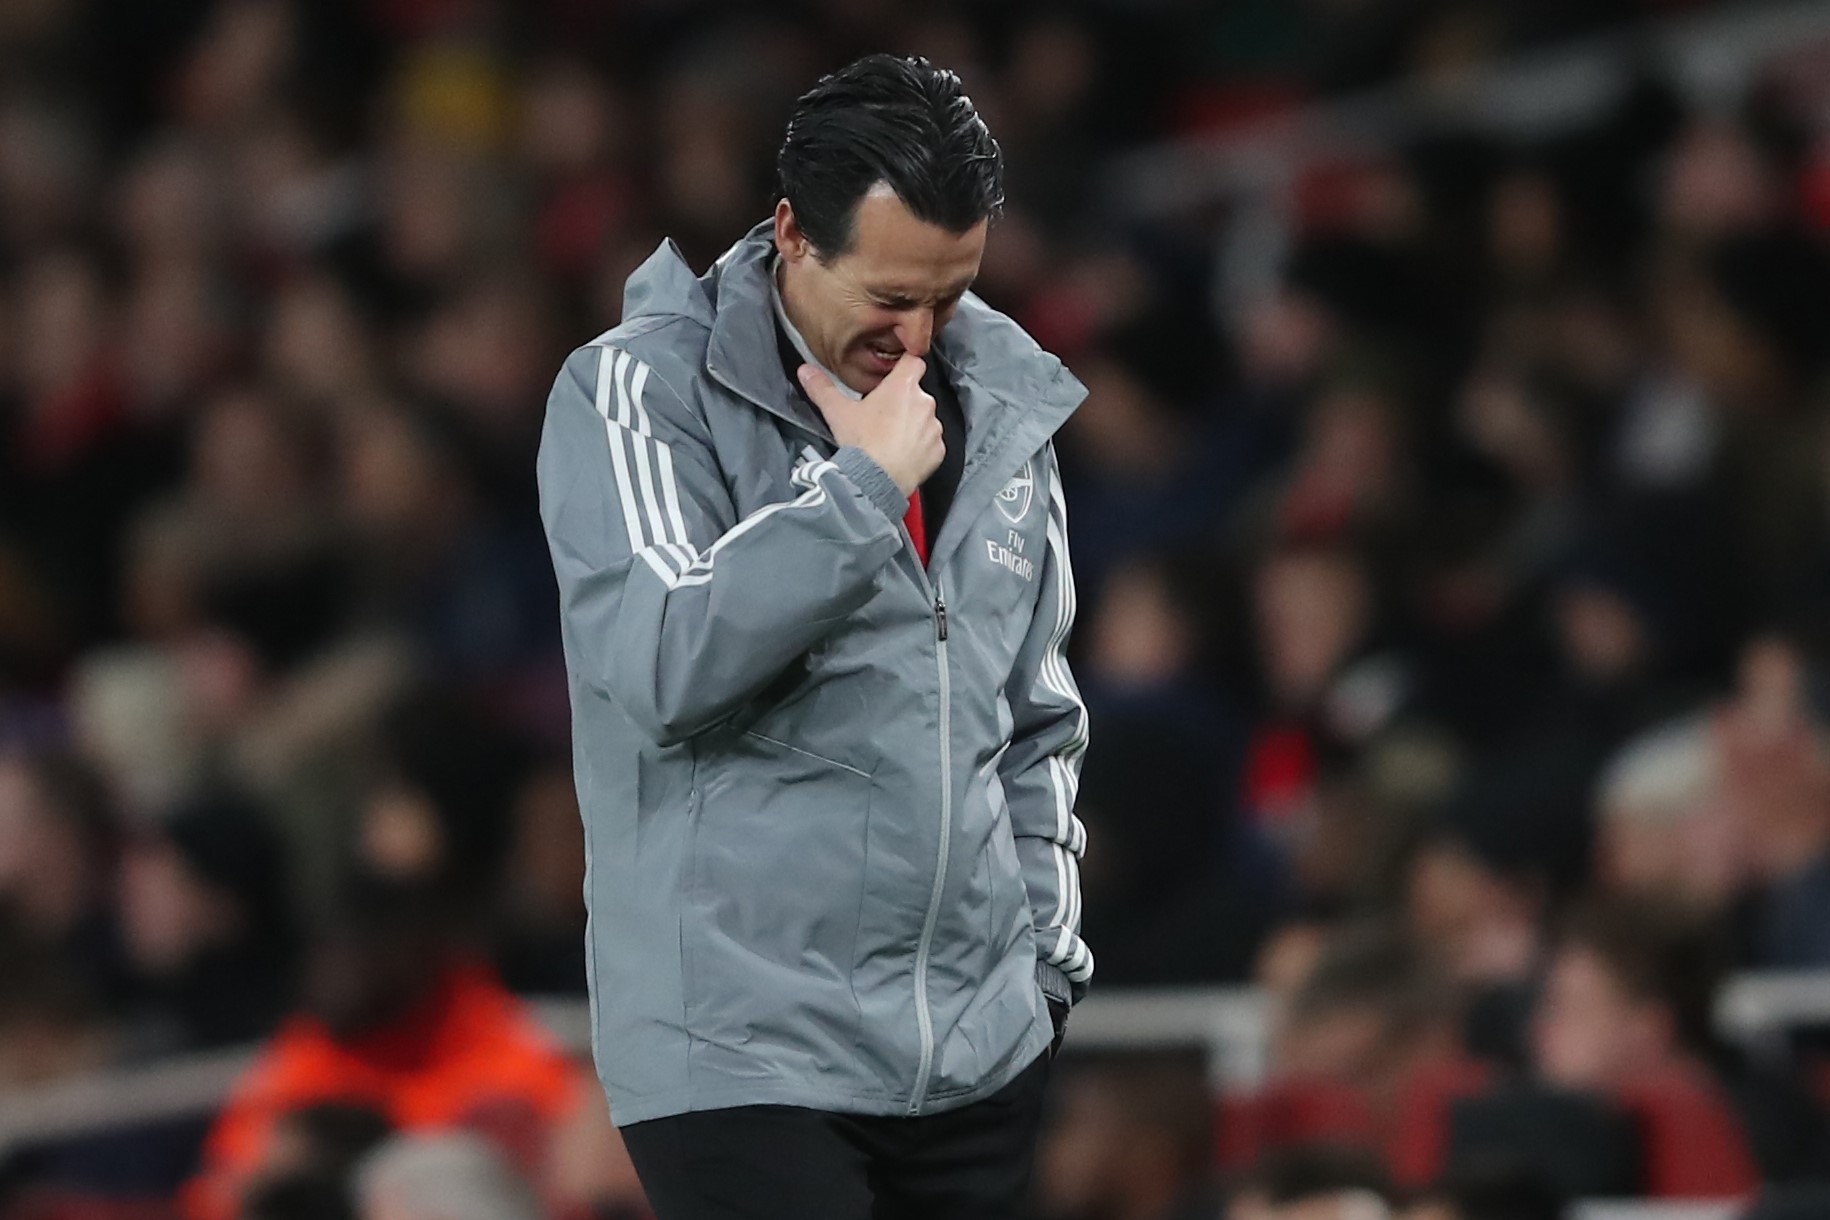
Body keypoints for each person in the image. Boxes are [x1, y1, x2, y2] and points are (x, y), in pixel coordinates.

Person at [537, 53, 1092, 1217]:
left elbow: (1035, 718)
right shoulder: (640, 392)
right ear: (790, 232)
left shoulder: (1007, 408)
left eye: (952, 294)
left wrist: (1041, 971)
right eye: (889, 300)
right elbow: (660, 659)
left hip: (976, 1054)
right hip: (741, 1055)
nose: (922, 338)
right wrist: (857, 492)